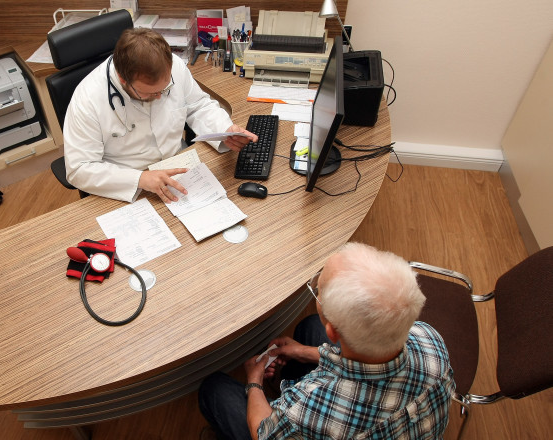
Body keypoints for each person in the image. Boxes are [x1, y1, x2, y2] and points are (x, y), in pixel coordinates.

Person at [198, 243, 455, 440]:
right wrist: (303, 352)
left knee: (214, 389)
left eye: (318, 289)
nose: (317, 289)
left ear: (332, 331)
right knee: (309, 327)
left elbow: (263, 431)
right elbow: (369, 365)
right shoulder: (430, 338)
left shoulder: (308, 411)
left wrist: (254, 381)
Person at [63, 28, 257, 203]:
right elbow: (79, 169)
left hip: (178, 168)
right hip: (128, 185)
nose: (159, 97)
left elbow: (198, 105)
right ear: (123, 79)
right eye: (149, 93)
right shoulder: (88, 100)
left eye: (165, 89)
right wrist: (139, 179)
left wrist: (224, 129)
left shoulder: (175, 68)